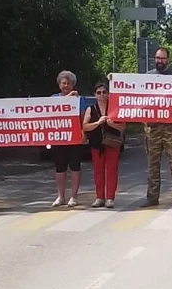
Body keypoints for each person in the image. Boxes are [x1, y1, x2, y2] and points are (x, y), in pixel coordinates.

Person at [143, 47, 172, 208]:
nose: (159, 61)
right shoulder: (147, 77)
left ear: (168, 60)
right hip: (153, 128)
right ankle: (152, 197)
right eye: (157, 58)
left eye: (162, 58)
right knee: (152, 166)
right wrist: (113, 80)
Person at [83, 81, 126, 209]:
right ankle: (99, 197)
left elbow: (123, 126)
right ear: (95, 95)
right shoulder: (91, 108)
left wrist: (112, 124)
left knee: (112, 170)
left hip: (112, 143)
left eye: (104, 92)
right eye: (99, 93)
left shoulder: (114, 108)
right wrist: (97, 123)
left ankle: (110, 198)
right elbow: (85, 126)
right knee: (98, 171)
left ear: (108, 94)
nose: (102, 95)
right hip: (97, 144)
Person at [49, 70, 83, 207]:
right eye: (63, 83)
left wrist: (83, 134)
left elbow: (81, 116)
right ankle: (60, 196)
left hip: (73, 137)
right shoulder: (53, 98)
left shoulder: (77, 99)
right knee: (60, 168)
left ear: (73, 85)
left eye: (69, 84)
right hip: (58, 137)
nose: (66, 85)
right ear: (59, 85)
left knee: (75, 167)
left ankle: (73, 197)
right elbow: (51, 112)